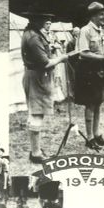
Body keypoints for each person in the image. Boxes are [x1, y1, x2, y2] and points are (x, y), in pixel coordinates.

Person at [21, 13, 69, 163]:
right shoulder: (34, 37)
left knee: (35, 114)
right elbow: (45, 63)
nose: (47, 21)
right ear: (36, 19)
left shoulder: (31, 33)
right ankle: (36, 154)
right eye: (44, 18)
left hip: (34, 75)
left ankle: (35, 150)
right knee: (36, 115)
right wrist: (62, 57)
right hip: (37, 77)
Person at [75, 2, 104, 149]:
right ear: (93, 16)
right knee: (90, 103)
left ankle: (97, 135)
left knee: (98, 102)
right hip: (88, 69)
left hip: (99, 68)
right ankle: (89, 138)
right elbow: (83, 52)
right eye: (101, 14)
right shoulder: (85, 30)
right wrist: (103, 58)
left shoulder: (101, 31)